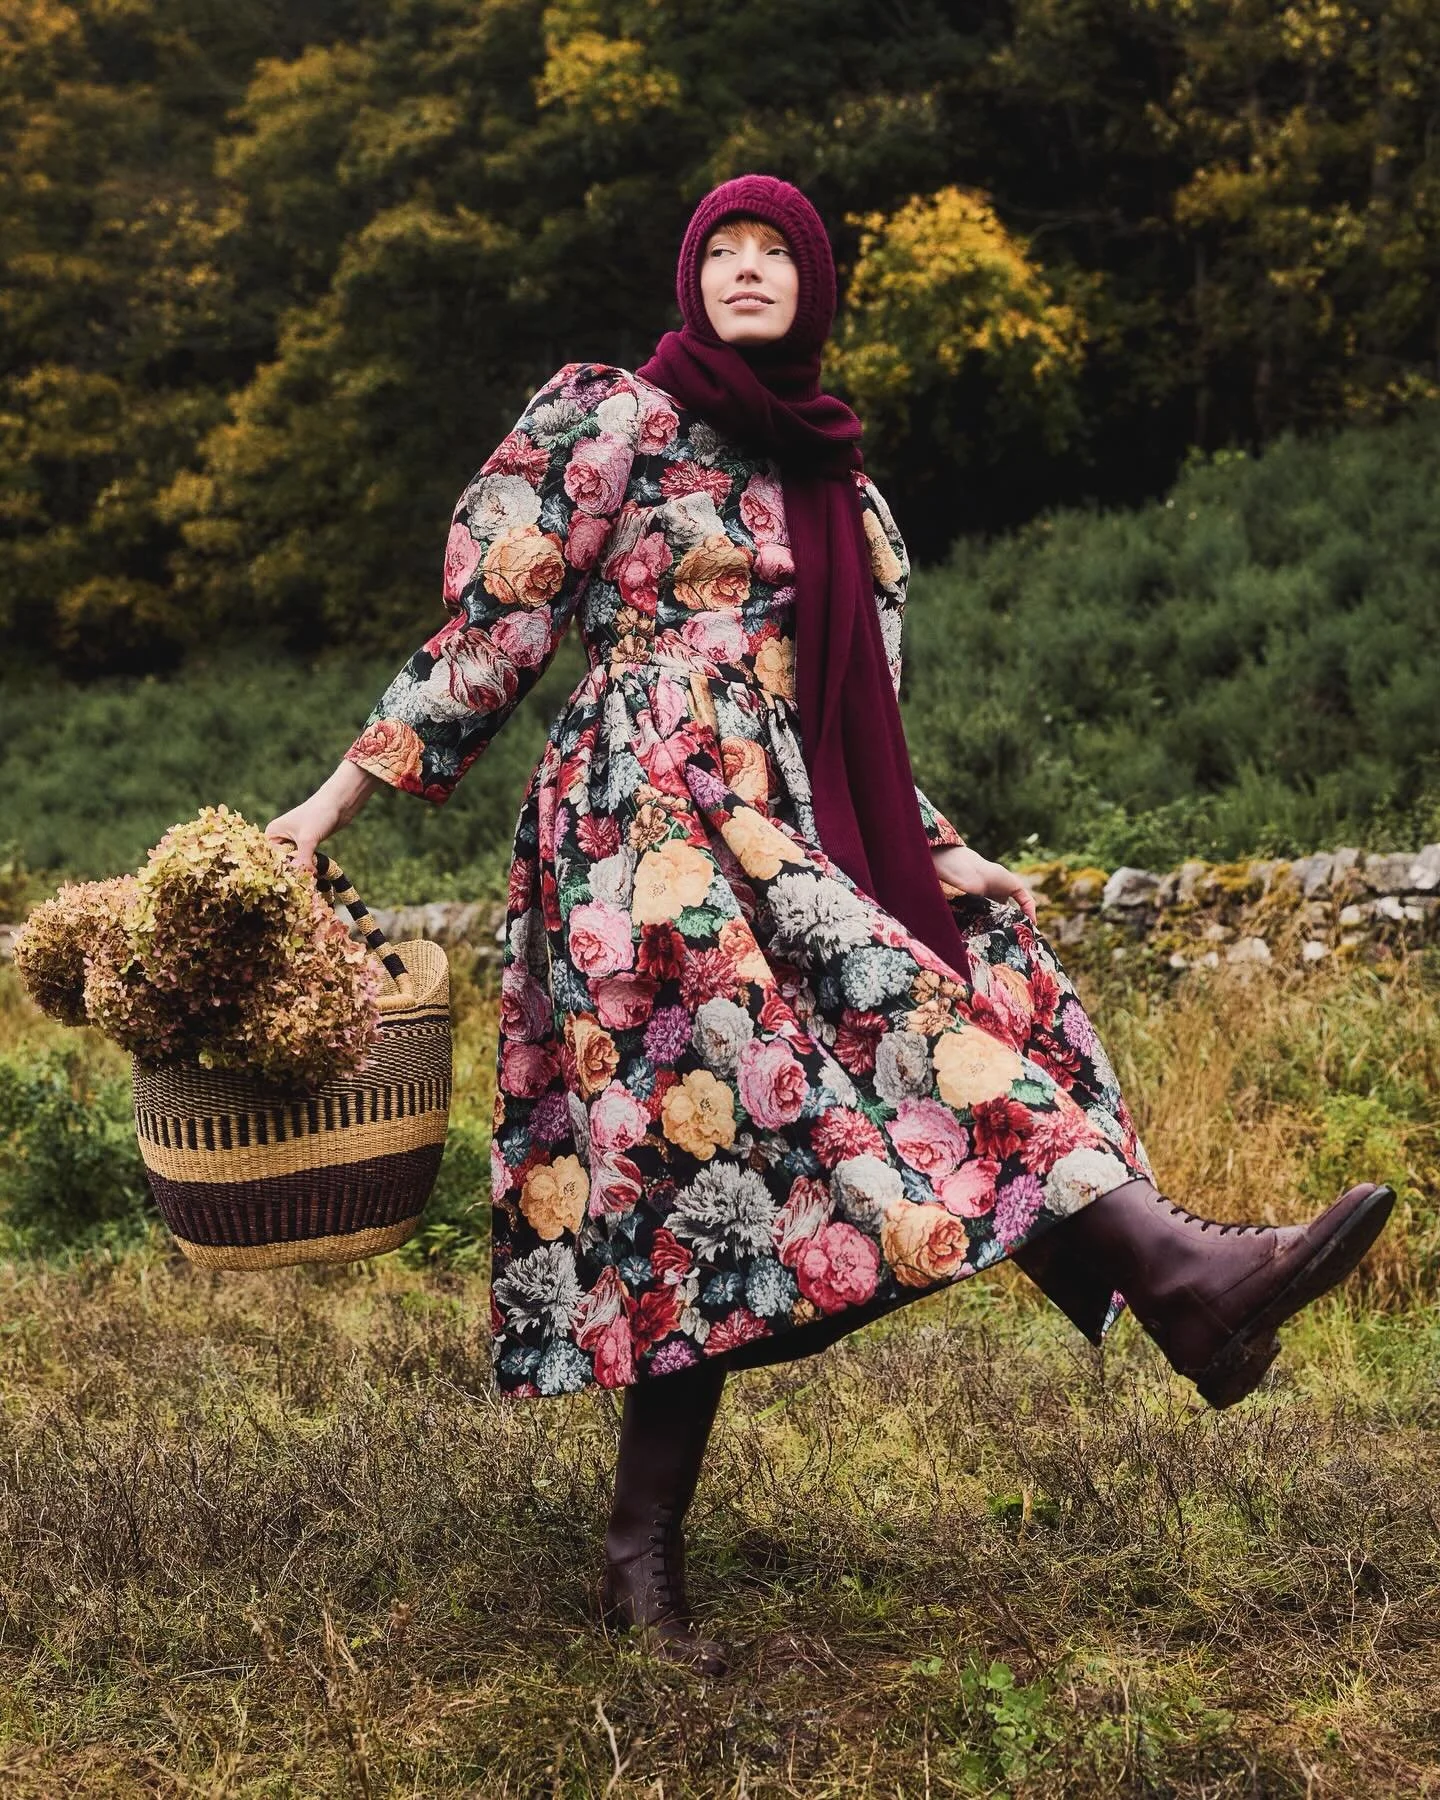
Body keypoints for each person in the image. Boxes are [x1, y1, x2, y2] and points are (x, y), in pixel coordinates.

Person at [267, 173, 1394, 1677]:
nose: (743, 272)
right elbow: (496, 628)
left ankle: (638, 1550)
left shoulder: (847, 493)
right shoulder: (620, 422)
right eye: (718, 253)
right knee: (752, 1108)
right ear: (689, 281)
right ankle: (1180, 1277)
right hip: (641, 824)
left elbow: (857, 720)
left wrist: (941, 848)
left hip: (784, 816)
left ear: (815, 287)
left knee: (912, 1032)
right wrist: (329, 803)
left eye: (771, 254)